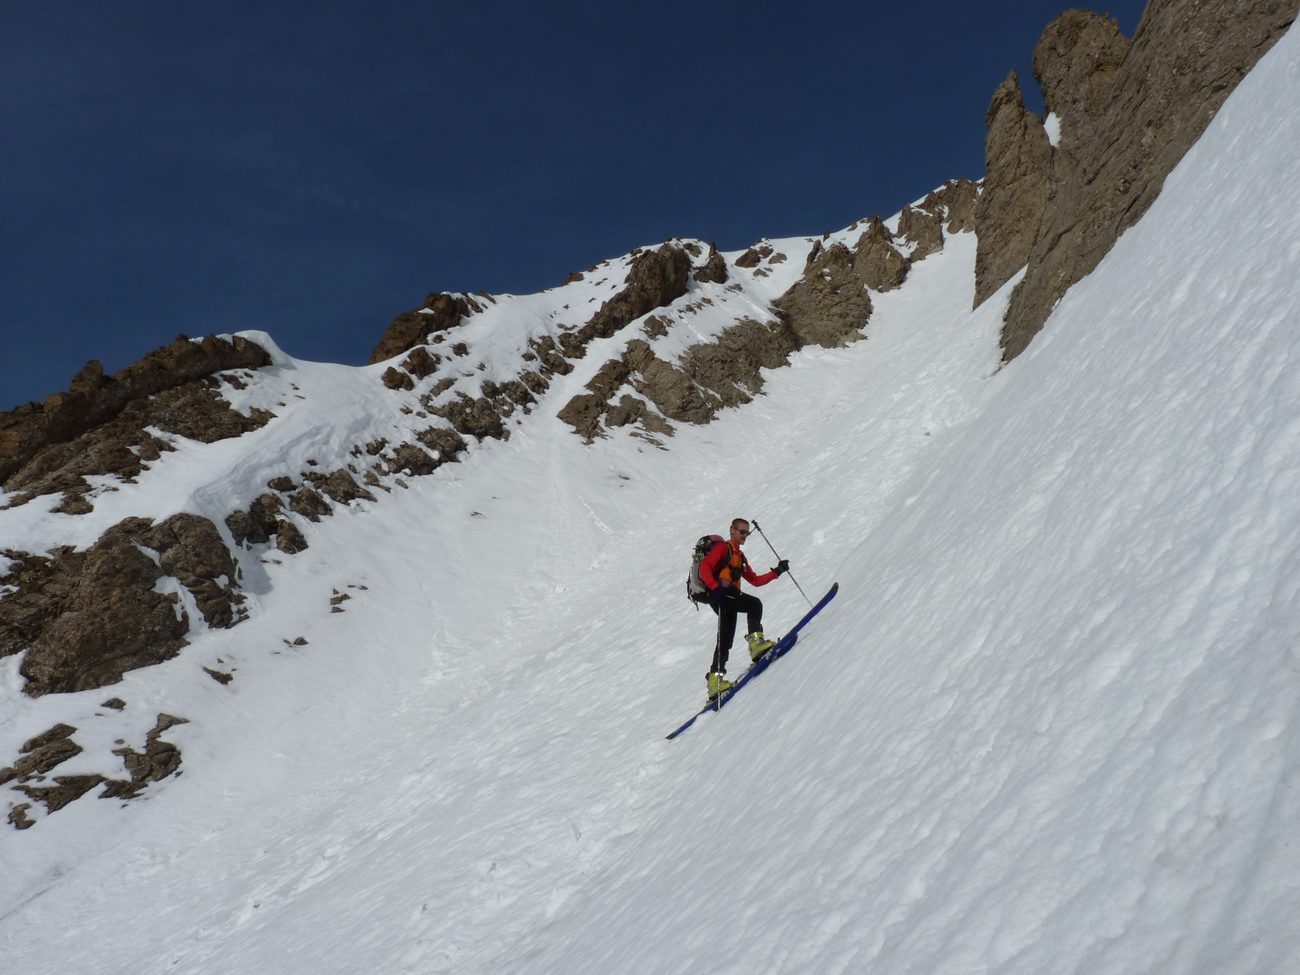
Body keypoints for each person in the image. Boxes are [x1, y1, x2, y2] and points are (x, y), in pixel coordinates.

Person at [696, 518, 790, 699]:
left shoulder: (739, 557)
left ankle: (715, 681)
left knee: (726, 637)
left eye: (746, 532)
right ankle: (756, 645)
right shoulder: (723, 548)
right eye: (741, 532)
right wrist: (715, 589)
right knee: (754, 604)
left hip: (725, 596)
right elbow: (704, 569)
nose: (744, 535)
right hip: (721, 593)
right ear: (732, 530)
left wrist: (777, 572)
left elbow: (755, 580)